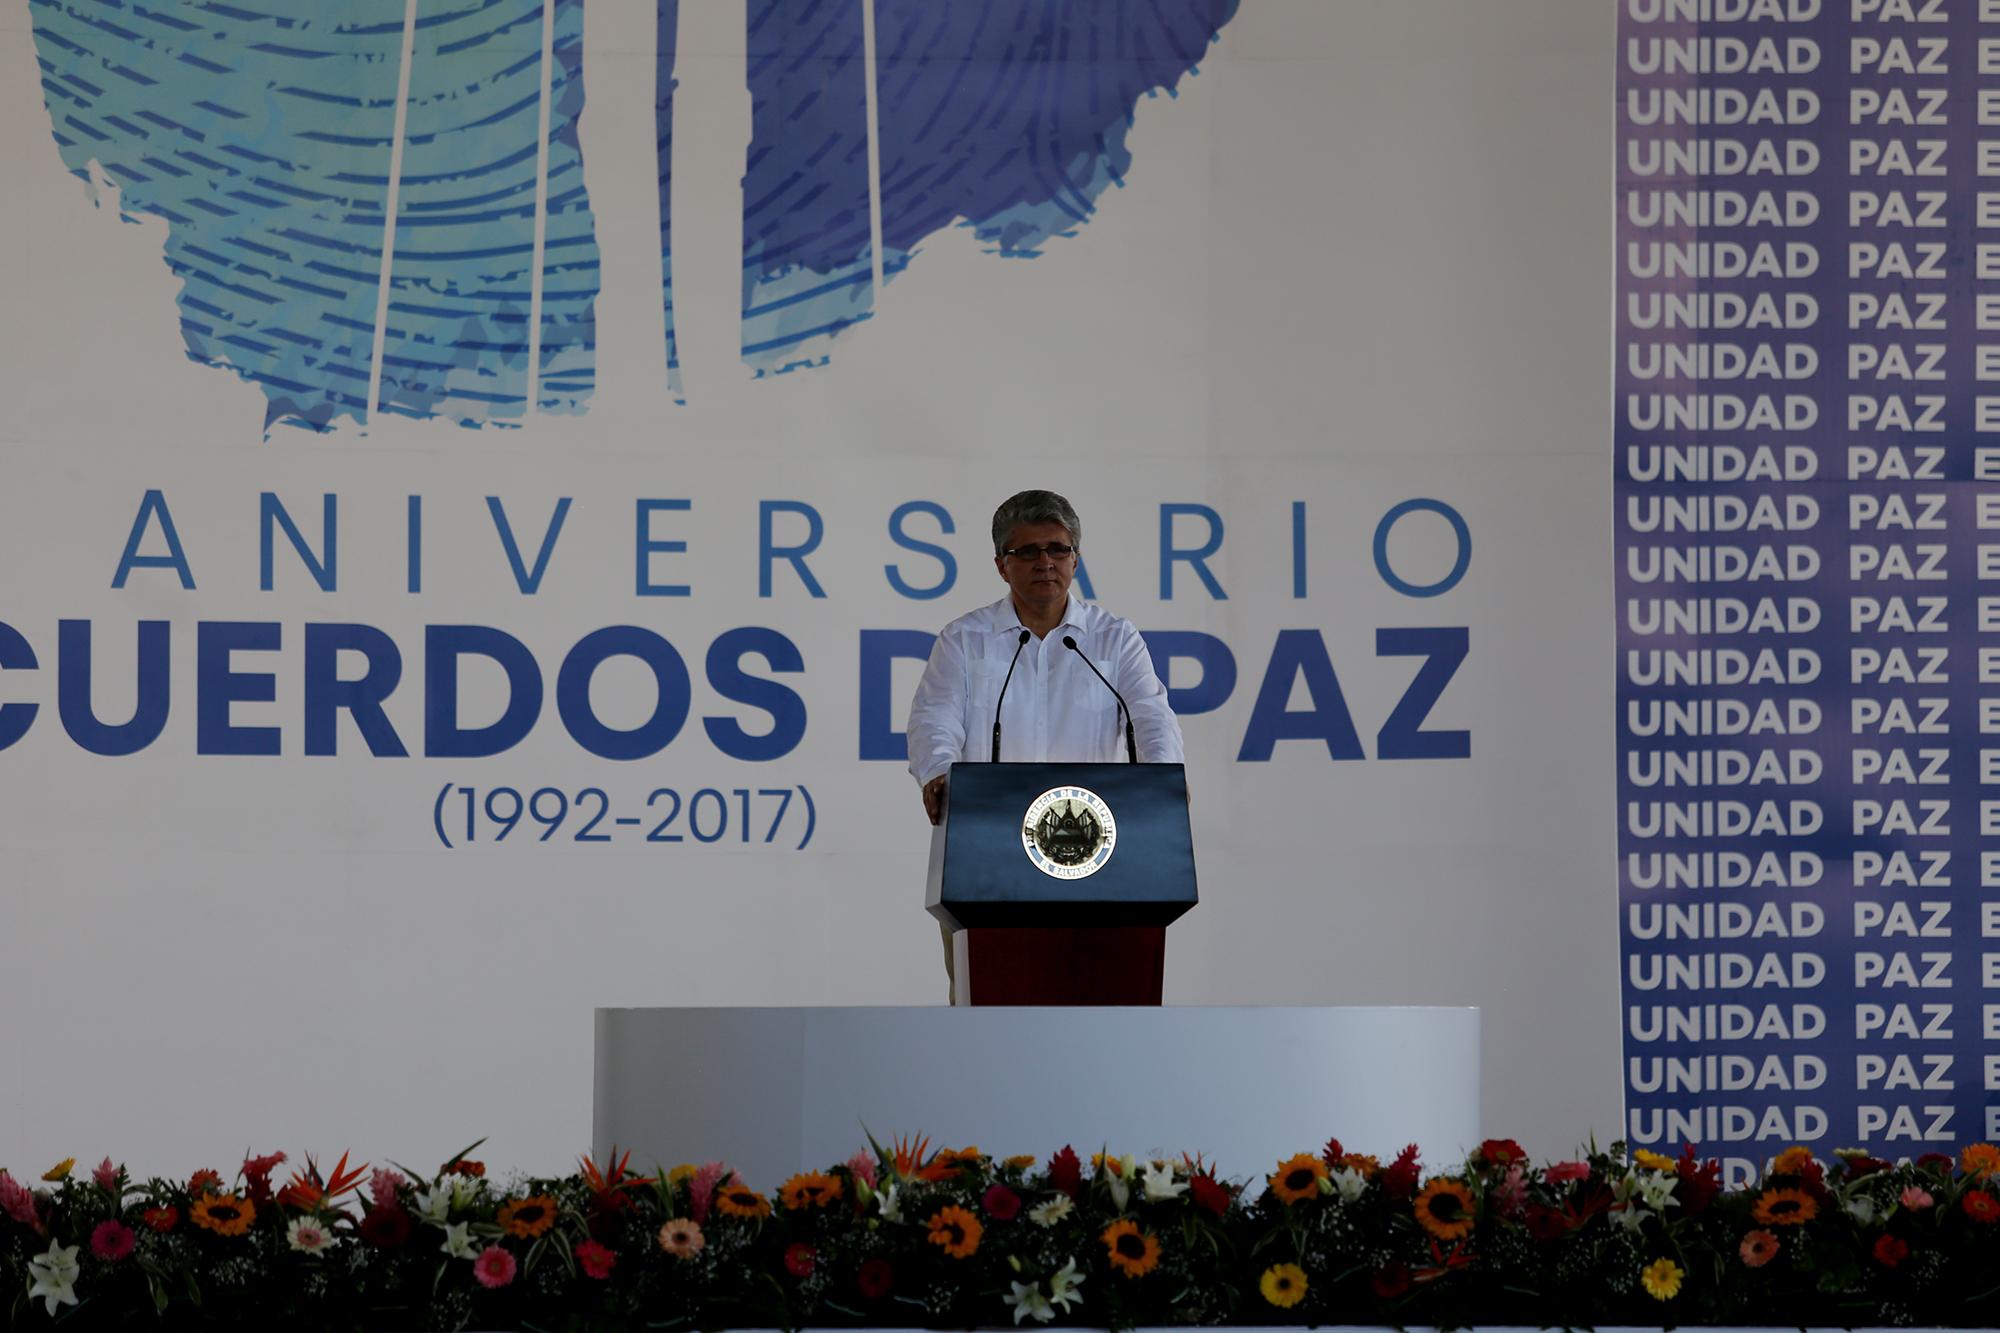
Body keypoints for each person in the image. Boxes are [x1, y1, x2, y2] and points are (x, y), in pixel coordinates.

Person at [906, 490, 1185, 994]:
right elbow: (934, 718)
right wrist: (938, 774)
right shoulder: (965, 639)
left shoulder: (1113, 639)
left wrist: (1164, 784)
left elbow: (1151, 716)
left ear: (1075, 559)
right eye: (1027, 552)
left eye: (1058, 550)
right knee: (990, 1011)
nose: (1045, 563)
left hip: (1101, 857)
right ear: (1000, 565)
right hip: (986, 854)